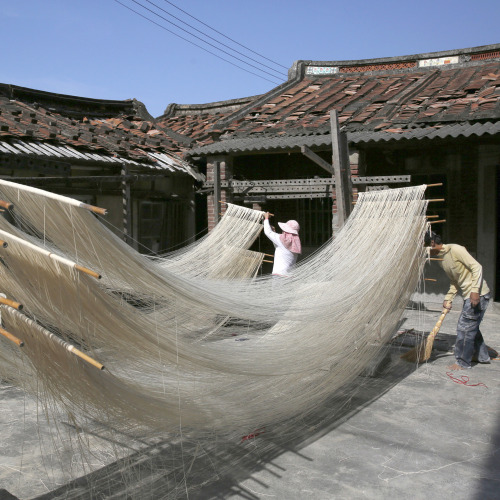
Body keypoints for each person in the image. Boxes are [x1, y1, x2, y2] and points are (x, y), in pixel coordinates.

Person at [425, 231, 491, 370]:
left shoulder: (455, 249)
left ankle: (462, 362)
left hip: (478, 294)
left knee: (465, 327)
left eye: (425, 249)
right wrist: (448, 298)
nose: (425, 254)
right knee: (471, 326)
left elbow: (477, 267)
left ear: (432, 243)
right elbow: (455, 281)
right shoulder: (441, 260)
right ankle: (482, 356)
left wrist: (474, 291)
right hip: (468, 295)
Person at [263, 212, 301, 277]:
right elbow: (279, 247)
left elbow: (267, 232)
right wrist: (274, 232)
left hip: (279, 276)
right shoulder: (296, 244)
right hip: (290, 277)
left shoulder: (281, 239)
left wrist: (266, 219)